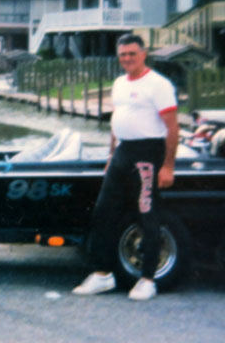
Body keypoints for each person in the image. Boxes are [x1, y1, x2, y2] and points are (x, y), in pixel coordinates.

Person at [72, 34, 179, 301]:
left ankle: (147, 280)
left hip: (148, 153)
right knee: (103, 212)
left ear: (144, 54)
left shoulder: (159, 84)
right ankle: (102, 274)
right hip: (122, 152)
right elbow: (116, 121)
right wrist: (111, 153)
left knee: (148, 215)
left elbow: (172, 128)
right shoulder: (119, 83)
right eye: (123, 55)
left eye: (132, 53)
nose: (127, 59)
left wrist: (168, 166)